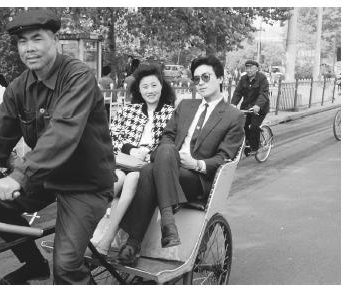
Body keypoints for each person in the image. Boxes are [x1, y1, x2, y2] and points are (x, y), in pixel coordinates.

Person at [0, 9, 115, 284]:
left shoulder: (78, 77)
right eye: (22, 42)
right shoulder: (19, 87)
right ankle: (34, 264)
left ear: (54, 39)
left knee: (66, 266)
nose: (29, 48)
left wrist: (16, 178)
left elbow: (61, 134)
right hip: (45, 178)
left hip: (85, 184)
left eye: (36, 38)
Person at [116, 55, 244, 266]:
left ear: (220, 78)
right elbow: (167, 135)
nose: (200, 83)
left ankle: (134, 242)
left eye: (206, 77)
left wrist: (196, 164)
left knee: (149, 171)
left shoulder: (234, 116)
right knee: (163, 152)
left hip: (196, 177)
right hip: (169, 165)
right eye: (196, 79)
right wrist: (171, 154)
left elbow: (224, 157)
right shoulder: (186, 106)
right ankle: (168, 222)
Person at [95, 63, 175, 256]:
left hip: (148, 168)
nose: (150, 91)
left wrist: (146, 154)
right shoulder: (128, 110)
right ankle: (89, 234)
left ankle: (105, 242)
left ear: (162, 86)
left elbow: (170, 145)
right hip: (124, 161)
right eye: (145, 86)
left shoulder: (171, 113)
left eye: (154, 85)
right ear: (138, 89)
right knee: (118, 180)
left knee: (131, 179)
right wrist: (130, 149)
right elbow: (111, 136)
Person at [231, 60, 270, 155]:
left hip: (260, 108)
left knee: (254, 126)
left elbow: (263, 93)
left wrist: (258, 105)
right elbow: (238, 92)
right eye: (247, 68)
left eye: (251, 68)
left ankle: (255, 147)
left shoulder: (262, 78)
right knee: (242, 124)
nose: (248, 70)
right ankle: (248, 141)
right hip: (247, 107)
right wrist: (233, 104)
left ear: (256, 68)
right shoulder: (243, 78)